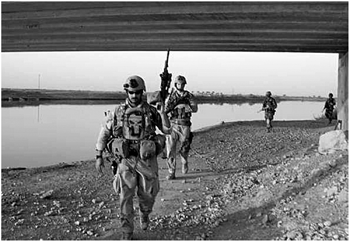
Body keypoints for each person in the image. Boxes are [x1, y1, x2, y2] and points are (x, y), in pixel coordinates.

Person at [95, 75, 170, 240]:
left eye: (137, 92)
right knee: (125, 196)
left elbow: (167, 130)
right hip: (125, 159)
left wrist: (163, 113)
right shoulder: (118, 111)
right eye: (131, 92)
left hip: (146, 159)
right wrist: (99, 154)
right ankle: (127, 231)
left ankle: (145, 213)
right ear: (126, 92)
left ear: (142, 92)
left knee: (149, 194)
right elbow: (104, 133)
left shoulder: (150, 111)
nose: (134, 96)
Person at [164, 75, 198, 180]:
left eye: (183, 84)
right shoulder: (170, 96)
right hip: (173, 125)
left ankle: (184, 162)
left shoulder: (189, 96)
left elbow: (195, 109)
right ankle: (171, 171)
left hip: (185, 125)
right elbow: (164, 109)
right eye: (179, 84)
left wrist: (187, 107)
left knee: (184, 148)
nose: (181, 86)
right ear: (176, 84)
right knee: (170, 150)